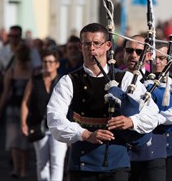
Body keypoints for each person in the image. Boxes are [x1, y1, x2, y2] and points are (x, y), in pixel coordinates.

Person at [47, 23, 162, 181]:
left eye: (97, 43)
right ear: (80, 46)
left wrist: (131, 121)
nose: (92, 49)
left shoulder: (125, 79)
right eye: (87, 44)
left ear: (108, 45)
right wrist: (86, 134)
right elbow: (54, 120)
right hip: (82, 165)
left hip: (117, 165)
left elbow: (152, 113)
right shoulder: (69, 81)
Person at [123, 34, 172, 181]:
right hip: (144, 151)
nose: (157, 62)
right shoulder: (138, 80)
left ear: (170, 59)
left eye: (162, 58)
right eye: (154, 58)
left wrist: (160, 118)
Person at [21, 49, 68, 181]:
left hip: (59, 126)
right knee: (42, 163)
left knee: (57, 162)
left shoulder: (63, 81)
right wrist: (23, 123)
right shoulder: (35, 80)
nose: (47, 64)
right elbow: (25, 102)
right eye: (45, 61)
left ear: (57, 64)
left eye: (51, 62)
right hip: (38, 125)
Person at [0, 42, 33, 178]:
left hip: (26, 108)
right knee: (15, 141)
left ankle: (21, 169)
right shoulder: (12, 72)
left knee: (22, 141)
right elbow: (5, 92)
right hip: (15, 108)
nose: (21, 61)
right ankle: (19, 169)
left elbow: (5, 93)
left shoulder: (31, 72)